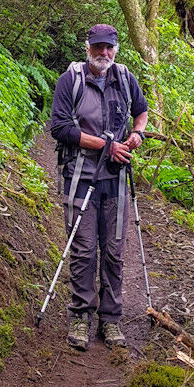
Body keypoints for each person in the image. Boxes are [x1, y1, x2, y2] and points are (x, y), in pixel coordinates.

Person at [46, 23, 148, 350]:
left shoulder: (125, 78)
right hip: (80, 176)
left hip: (116, 178)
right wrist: (105, 145)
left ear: (116, 49)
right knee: (84, 248)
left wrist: (137, 134)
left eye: (109, 47)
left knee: (115, 252)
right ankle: (79, 316)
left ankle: (111, 320)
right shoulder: (71, 81)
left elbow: (141, 111)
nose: (104, 53)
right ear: (87, 46)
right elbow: (60, 128)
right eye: (98, 47)